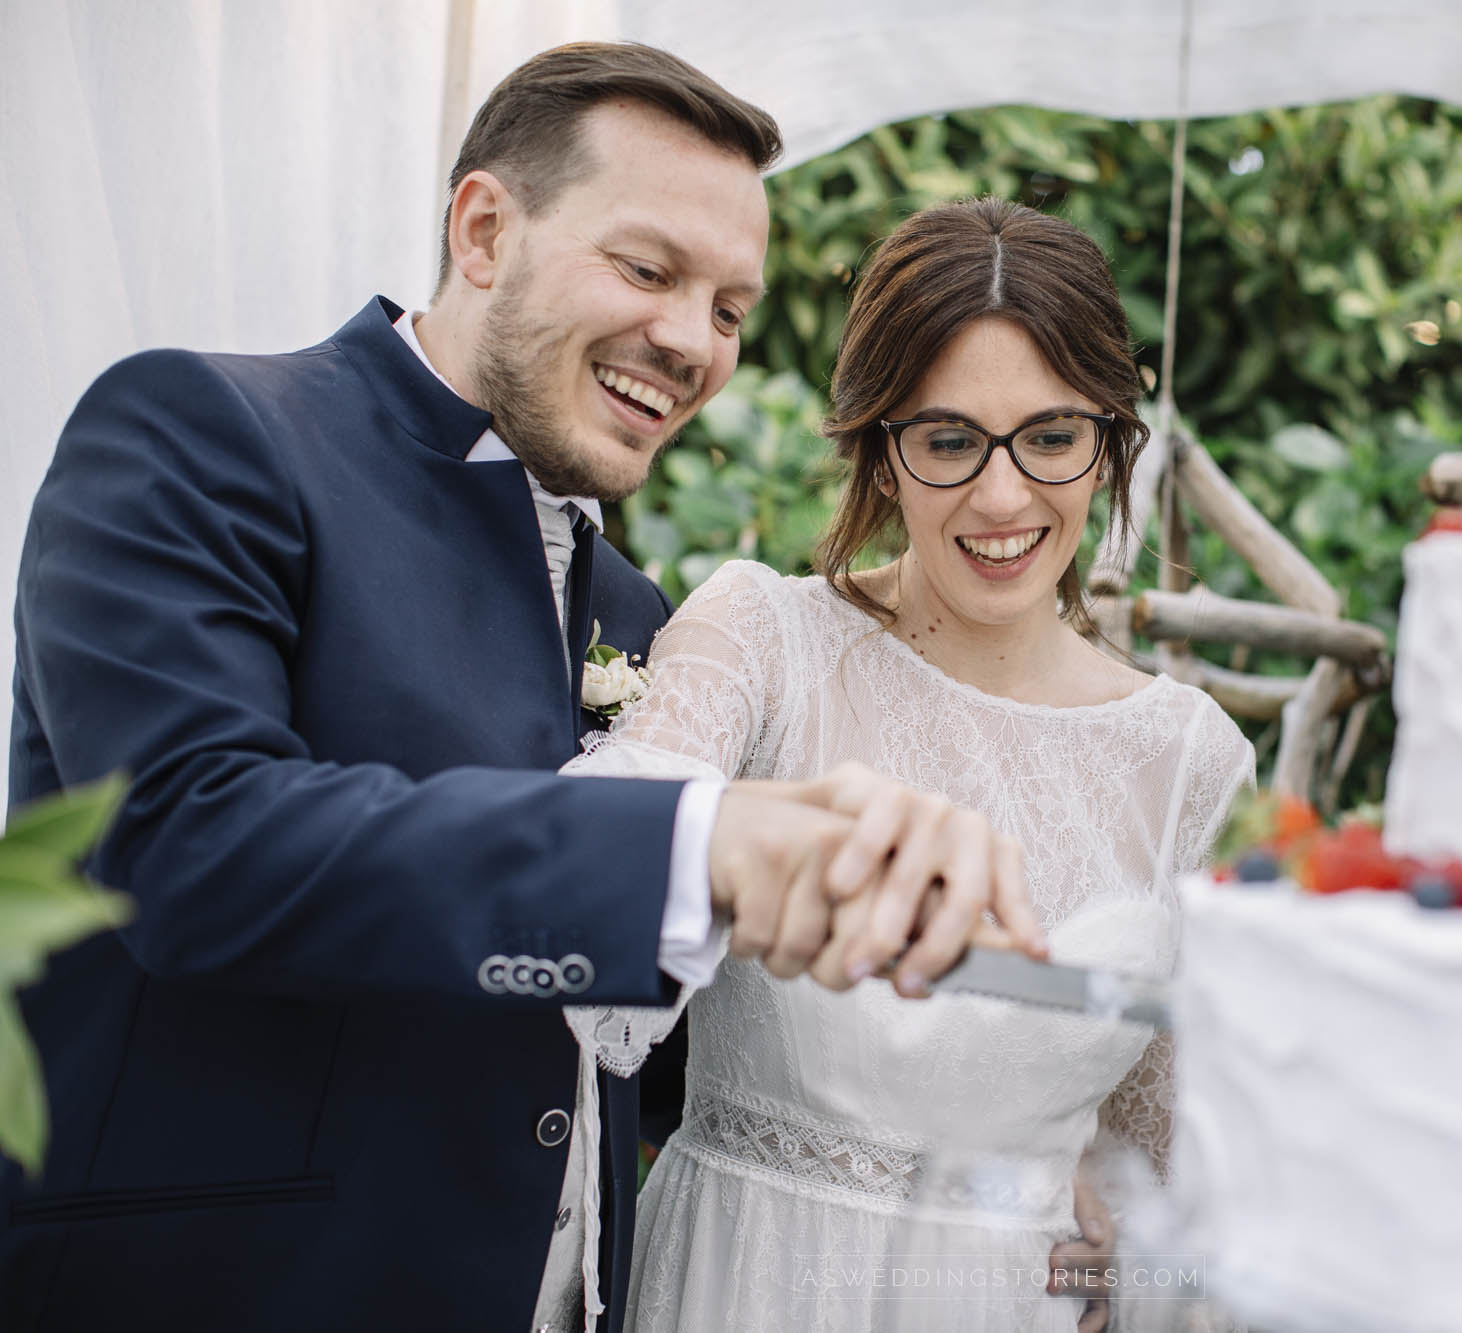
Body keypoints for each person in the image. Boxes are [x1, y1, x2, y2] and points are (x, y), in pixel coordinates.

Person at [1, 44, 1042, 1332]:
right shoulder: (200, 434)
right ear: (485, 230)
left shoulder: (632, 611)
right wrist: (692, 843)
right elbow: (183, 844)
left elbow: (601, 1046)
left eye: (728, 307)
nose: (689, 343)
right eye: (649, 269)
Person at [564, 198, 1256, 1331]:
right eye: (946, 440)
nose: (1000, 497)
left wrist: (1116, 1264)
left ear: (1108, 443)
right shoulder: (759, 640)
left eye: (1049, 436)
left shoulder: (1190, 765)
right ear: (880, 455)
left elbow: (1165, 1171)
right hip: (743, 1285)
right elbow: (584, 888)